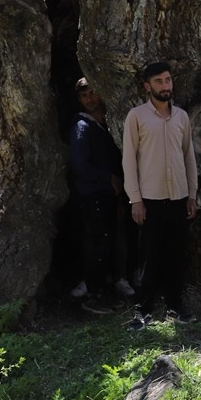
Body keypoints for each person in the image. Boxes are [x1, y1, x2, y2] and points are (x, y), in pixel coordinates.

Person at [122, 61, 199, 330]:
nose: (165, 86)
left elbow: (188, 155)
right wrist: (135, 200)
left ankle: (175, 307)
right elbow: (129, 160)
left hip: (178, 197)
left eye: (167, 80)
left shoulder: (181, 117)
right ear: (147, 86)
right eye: (159, 82)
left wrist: (191, 194)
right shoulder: (137, 117)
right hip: (150, 200)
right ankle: (142, 310)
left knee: (176, 255)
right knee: (149, 257)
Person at [68, 78, 135, 312]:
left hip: (113, 192)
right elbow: (79, 164)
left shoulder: (109, 124)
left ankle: (118, 279)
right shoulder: (81, 126)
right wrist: (108, 178)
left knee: (116, 236)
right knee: (97, 242)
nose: (90, 99)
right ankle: (94, 290)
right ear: (79, 99)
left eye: (94, 93)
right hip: (93, 193)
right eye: (84, 95)